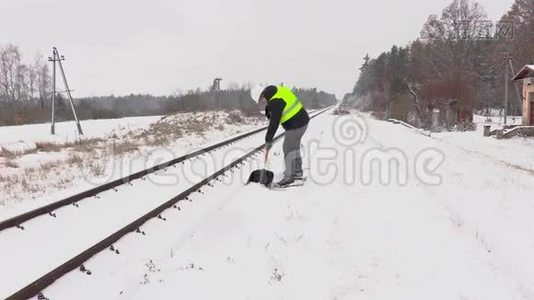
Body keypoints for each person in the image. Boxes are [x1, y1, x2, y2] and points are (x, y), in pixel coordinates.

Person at [250, 84, 309, 187]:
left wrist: (268, 140)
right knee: (294, 148)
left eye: (261, 100)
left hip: (296, 124)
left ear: (262, 95)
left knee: (288, 148)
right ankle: (297, 173)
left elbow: (274, 122)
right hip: (301, 121)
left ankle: (291, 178)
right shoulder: (277, 92)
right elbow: (277, 110)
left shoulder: (275, 101)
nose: (262, 103)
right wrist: (269, 110)